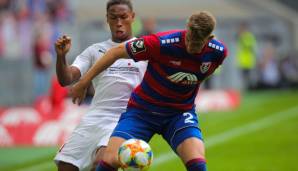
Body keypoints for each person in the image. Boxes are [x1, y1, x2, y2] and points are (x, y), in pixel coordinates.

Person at [72, 11, 227, 171]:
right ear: (186, 30)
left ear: (209, 39)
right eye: (189, 40)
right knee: (109, 161)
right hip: (142, 112)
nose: (190, 47)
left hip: (179, 114)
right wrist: (84, 81)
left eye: (197, 45)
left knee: (197, 164)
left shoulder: (218, 53)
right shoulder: (161, 43)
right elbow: (115, 52)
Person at [54, 0, 147, 171]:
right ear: (107, 19)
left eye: (123, 17)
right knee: (65, 166)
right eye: (113, 18)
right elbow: (66, 79)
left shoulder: (144, 51)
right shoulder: (94, 50)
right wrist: (61, 57)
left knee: (103, 163)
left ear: (132, 17)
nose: (119, 22)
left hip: (124, 118)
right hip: (95, 116)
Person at [236, 22, 257, 90]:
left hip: (248, 61)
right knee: (243, 76)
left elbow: (250, 47)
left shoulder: (249, 36)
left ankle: (251, 88)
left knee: (249, 76)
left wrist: (242, 39)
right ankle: (246, 88)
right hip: (242, 61)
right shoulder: (240, 37)